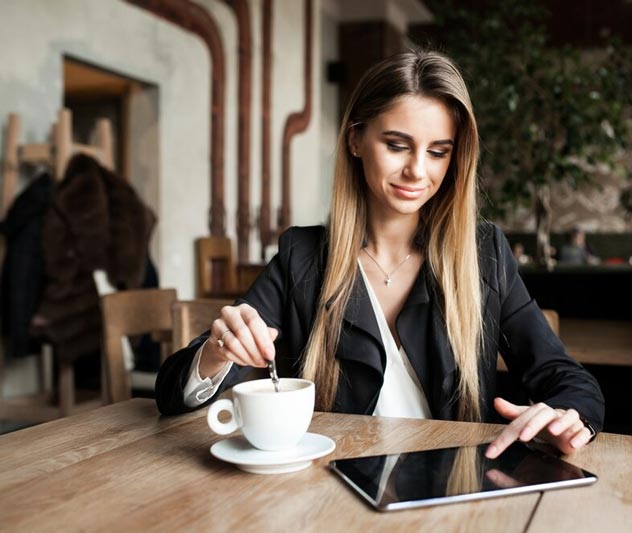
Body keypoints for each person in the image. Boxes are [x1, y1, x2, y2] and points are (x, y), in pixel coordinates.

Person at [156, 50, 604, 458]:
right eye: (396, 145)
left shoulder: (483, 252)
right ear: (355, 140)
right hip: (331, 495)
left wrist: (570, 416)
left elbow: (567, 379)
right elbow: (172, 395)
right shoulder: (303, 256)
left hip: (454, 499)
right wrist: (218, 351)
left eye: (438, 152)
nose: (417, 170)